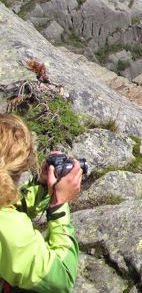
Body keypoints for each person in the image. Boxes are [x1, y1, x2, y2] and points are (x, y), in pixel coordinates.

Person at [0, 114, 82, 293]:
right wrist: (59, 206)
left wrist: (42, 186)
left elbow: (6, 208)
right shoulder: (8, 228)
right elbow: (61, 278)